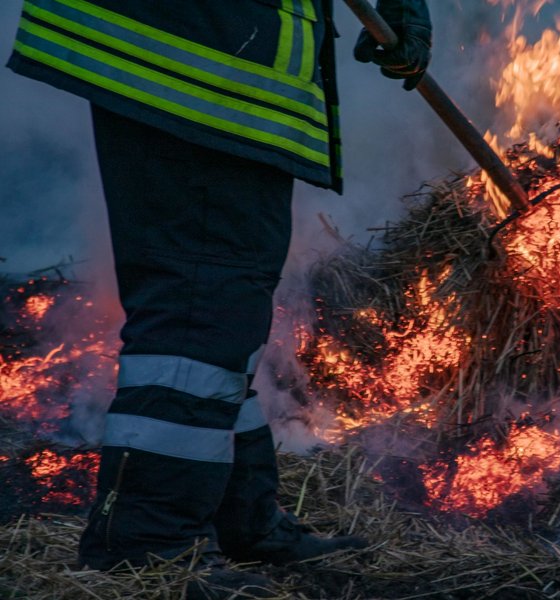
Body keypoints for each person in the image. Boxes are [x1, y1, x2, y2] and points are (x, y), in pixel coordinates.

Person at [6, 0, 431, 597]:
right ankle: (147, 548)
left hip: (206, 57)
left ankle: (239, 517)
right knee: (201, 303)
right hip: (201, 60)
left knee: (223, 310)